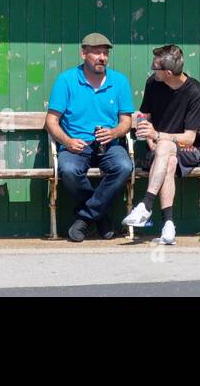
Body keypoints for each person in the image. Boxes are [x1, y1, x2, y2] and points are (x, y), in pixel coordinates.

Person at [46, 32, 134, 242]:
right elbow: (51, 121)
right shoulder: (66, 80)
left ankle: (86, 217)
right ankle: (101, 216)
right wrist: (67, 141)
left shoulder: (119, 81)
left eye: (105, 53)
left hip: (109, 144)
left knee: (124, 167)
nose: (102, 57)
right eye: (96, 53)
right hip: (77, 143)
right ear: (84, 53)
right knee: (68, 169)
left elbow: (126, 121)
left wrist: (113, 132)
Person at [122, 44, 200, 245]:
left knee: (166, 147)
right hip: (161, 153)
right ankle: (168, 226)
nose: (152, 70)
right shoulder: (153, 84)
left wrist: (158, 136)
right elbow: (146, 117)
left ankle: (146, 204)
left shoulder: (194, 90)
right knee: (167, 160)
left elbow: (189, 138)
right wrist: (149, 137)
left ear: (168, 73)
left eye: (155, 67)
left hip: (189, 151)